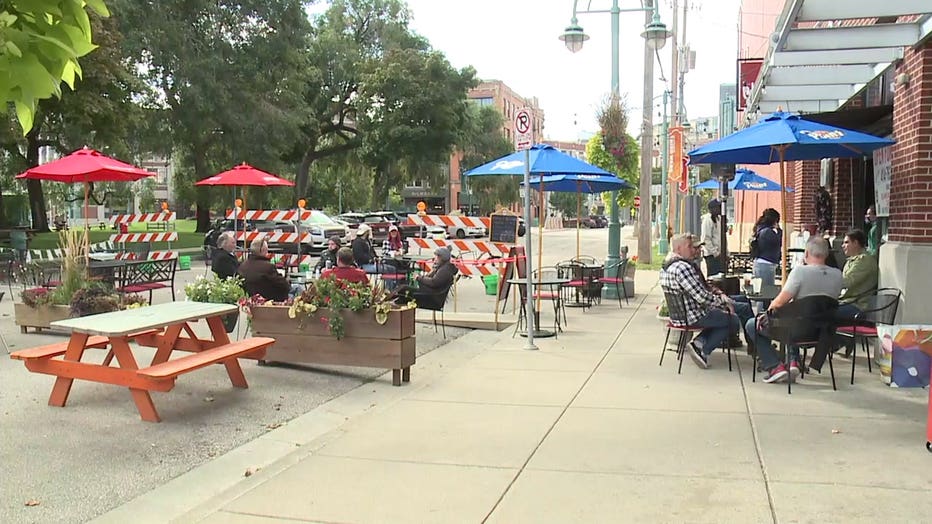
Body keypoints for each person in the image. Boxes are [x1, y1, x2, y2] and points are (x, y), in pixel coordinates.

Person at [744, 237, 844, 383]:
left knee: (752, 324)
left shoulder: (800, 272)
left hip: (797, 331)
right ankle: (793, 361)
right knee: (794, 316)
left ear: (807, 253)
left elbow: (778, 303)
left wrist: (767, 312)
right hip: (823, 333)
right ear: (826, 254)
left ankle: (775, 366)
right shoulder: (837, 274)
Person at [660, 233, 743, 369]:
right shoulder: (682, 267)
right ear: (679, 249)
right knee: (733, 320)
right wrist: (723, 303)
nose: (692, 249)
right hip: (693, 315)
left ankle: (699, 343)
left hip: (678, 315)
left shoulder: (666, 266)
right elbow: (702, 297)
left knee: (727, 315)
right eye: (689, 246)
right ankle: (702, 348)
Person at [390, 247, 458, 304]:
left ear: (442, 258)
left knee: (403, 288)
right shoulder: (442, 267)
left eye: (437, 257)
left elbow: (433, 282)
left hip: (432, 297)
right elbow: (429, 277)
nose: (435, 258)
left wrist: (418, 278)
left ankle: (388, 301)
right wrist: (434, 268)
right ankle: (391, 301)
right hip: (430, 293)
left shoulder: (444, 270)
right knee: (402, 290)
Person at [749, 208, 781, 309]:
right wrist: (779, 230)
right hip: (766, 265)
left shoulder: (760, 229)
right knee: (765, 294)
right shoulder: (767, 232)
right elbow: (779, 241)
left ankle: (761, 313)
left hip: (762, 264)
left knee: (762, 292)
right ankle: (762, 315)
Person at [700, 199, 724, 276]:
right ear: (712, 209)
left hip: (720, 254)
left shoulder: (719, 219)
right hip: (712, 255)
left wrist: (726, 252)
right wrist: (715, 253)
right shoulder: (707, 220)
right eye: (718, 207)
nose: (720, 209)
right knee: (714, 277)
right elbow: (706, 239)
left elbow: (722, 237)